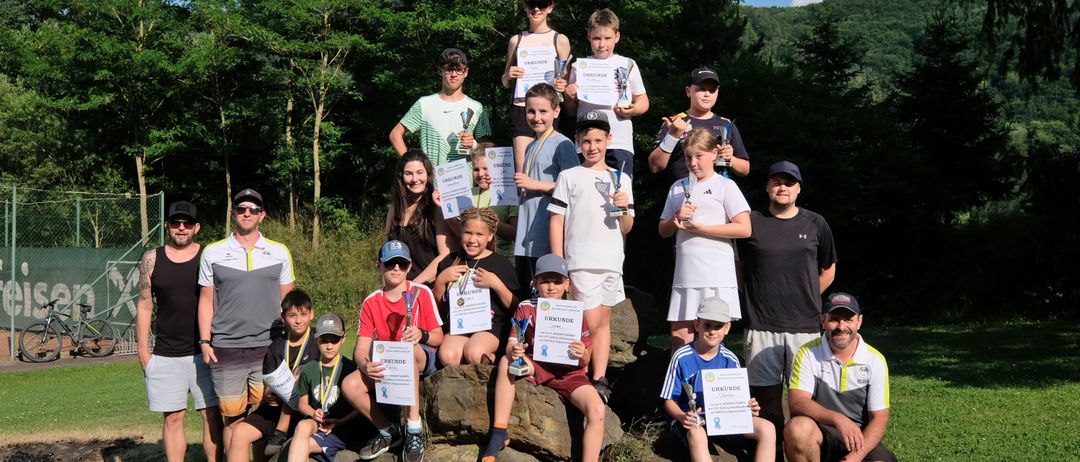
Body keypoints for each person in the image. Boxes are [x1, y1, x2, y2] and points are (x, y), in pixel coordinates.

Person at [736, 161, 837, 446]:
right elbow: (737, 266)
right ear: (767, 187)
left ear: (798, 189)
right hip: (760, 325)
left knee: (804, 401)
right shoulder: (751, 221)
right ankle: (771, 453)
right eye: (777, 182)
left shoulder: (816, 223)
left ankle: (803, 450)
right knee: (765, 400)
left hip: (804, 326)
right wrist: (753, 294)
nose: (783, 187)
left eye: (789, 183)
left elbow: (829, 268)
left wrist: (808, 295)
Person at [198, 188, 296, 453]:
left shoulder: (279, 251)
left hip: (270, 346)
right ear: (233, 214)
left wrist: (292, 342)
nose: (247, 213)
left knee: (266, 415)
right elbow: (206, 301)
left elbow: (289, 303)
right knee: (233, 419)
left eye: (253, 209)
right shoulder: (213, 252)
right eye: (241, 208)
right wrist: (205, 342)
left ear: (262, 215)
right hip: (226, 347)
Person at [480, 254, 604, 462]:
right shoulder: (526, 306)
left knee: (598, 410)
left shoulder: (575, 311)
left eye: (557, 281)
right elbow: (512, 342)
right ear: (535, 283)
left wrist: (582, 353)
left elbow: (585, 360)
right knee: (506, 361)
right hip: (536, 364)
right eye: (545, 281)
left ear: (567, 284)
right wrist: (515, 350)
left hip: (569, 373)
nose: (551, 287)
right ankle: (499, 430)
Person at [548, 110, 633, 402]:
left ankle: (599, 377)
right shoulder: (569, 176)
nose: (592, 147)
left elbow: (627, 226)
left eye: (598, 140)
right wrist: (559, 264)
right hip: (580, 260)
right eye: (586, 141)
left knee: (603, 321)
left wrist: (623, 206)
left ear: (609, 139)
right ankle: (579, 375)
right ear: (577, 142)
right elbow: (557, 221)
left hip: (611, 261)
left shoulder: (621, 178)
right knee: (589, 323)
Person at [342, 240, 445, 462]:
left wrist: (421, 334)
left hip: (419, 356)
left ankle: (414, 429)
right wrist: (364, 365)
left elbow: (438, 337)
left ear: (409, 267)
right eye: (390, 263)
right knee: (349, 385)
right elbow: (361, 348)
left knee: (408, 350)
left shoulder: (422, 293)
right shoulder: (371, 301)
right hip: (388, 362)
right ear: (379, 266)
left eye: (401, 263)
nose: (396, 268)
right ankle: (389, 430)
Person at [136, 201, 223, 462]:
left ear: (197, 227)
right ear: (167, 226)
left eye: (187, 223)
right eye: (176, 223)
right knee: (173, 418)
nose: (181, 228)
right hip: (165, 353)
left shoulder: (209, 256)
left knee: (211, 416)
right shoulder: (151, 259)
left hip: (205, 352)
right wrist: (143, 353)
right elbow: (144, 305)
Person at [658, 129, 751, 349]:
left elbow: (744, 228)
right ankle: (681, 373)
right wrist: (676, 217)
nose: (692, 162)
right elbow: (663, 230)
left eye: (699, 156)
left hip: (716, 274)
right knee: (679, 337)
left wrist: (702, 229)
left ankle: (713, 373)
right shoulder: (678, 187)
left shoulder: (725, 185)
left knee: (712, 338)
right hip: (686, 274)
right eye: (688, 157)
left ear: (714, 154)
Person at [660, 297, 775, 462]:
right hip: (692, 420)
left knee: (767, 428)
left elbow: (738, 399)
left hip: (725, 419)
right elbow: (669, 400)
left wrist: (749, 407)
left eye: (718, 326)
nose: (712, 331)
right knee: (697, 434)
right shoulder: (681, 357)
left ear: (727, 328)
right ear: (697, 324)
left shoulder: (731, 359)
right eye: (707, 325)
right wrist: (682, 416)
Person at [784, 293, 895, 462]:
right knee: (797, 429)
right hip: (820, 434)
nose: (841, 326)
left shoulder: (875, 360)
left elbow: (879, 419)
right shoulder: (807, 353)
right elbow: (797, 402)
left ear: (859, 321)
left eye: (848, 320)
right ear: (823, 321)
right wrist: (838, 419)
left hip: (860, 439)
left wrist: (852, 459)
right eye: (834, 319)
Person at [226, 290, 317, 462]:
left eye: (303, 314)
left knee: (300, 375)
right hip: (277, 408)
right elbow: (268, 382)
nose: (298, 320)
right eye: (292, 315)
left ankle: (282, 432)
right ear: (283, 318)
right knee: (239, 432)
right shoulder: (277, 346)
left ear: (311, 314)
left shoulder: (318, 341)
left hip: (306, 409)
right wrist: (269, 395)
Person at [564, 8, 649, 177]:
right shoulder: (578, 67)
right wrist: (569, 96)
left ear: (617, 36)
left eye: (607, 38)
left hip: (619, 141)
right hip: (587, 142)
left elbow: (643, 100)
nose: (602, 44)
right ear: (589, 36)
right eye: (596, 38)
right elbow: (571, 110)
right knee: (585, 189)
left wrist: (633, 109)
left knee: (620, 188)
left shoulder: (628, 64)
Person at [433, 207, 520, 366]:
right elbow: (437, 307)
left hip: (490, 327)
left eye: (479, 234)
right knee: (448, 356)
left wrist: (496, 284)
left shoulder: (501, 264)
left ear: (490, 236)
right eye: (468, 233)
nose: (472, 239)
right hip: (459, 324)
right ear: (461, 232)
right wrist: (440, 281)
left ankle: (494, 361)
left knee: (474, 353)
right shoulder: (448, 262)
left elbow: (516, 306)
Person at [513, 83, 579, 287]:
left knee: (547, 294)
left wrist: (535, 184)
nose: (536, 117)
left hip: (547, 235)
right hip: (527, 234)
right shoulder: (531, 146)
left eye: (543, 111)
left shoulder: (563, 144)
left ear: (556, 111)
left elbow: (575, 188)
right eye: (531, 111)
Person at [287, 313, 369, 462]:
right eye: (324, 341)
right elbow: (302, 404)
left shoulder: (350, 369)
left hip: (340, 427)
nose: (329, 346)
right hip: (316, 423)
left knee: (301, 447)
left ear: (343, 339)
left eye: (334, 340)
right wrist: (313, 413)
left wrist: (341, 421)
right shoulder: (309, 368)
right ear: (316, 339)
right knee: (302, 426)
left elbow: (360, 408)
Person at [501, 0, 572, 172]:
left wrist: (562, 84)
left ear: (550, 8)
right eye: (531, 4)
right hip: (522, 108)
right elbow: (504, 81)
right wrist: (509, 75)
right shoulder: (516, 40)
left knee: (549, 166)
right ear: (525, 8)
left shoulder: (560, 40)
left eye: (542, 4)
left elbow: (566, 81)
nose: (536, 9)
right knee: (523, 169)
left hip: (549, 108)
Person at [389, 48, 493, 166]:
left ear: (466, 72)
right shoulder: (424, 104)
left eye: (459, 70)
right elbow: (395, 134)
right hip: (432, 177)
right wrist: (414, 166)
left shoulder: (477, 107)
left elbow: (489, 151)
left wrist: (474, 145)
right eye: (449, 69)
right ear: (440, 71)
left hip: (466, 177)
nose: (454, 74)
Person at [648, 67, 750, 181]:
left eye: (712, 90)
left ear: (718, 92)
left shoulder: (726, 124)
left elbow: (745, 169)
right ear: (688, 91)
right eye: (701, 89)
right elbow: (655, 167)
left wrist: (730, 158)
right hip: (682, 189)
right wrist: (672, 136)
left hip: (718, 190)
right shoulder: (674, 122)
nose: (707, 94)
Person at [386, 149, 452, 285]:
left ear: (428, 174)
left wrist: (413, 286)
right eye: (408, 174)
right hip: (399, 288)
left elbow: (445, 255)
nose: (415, 179)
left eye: (420, 172)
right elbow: (387, 251)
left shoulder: (437, 207)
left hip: (430, 288)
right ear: (401, 176)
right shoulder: (395, 208)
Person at [467, 142, 518, 259]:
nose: (480, 174)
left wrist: (487, 220)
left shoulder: (509, 193)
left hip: (502, 259)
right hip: (472, 258)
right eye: (476, 169)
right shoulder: (469, 194)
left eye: (486, 169)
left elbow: (514, 233)